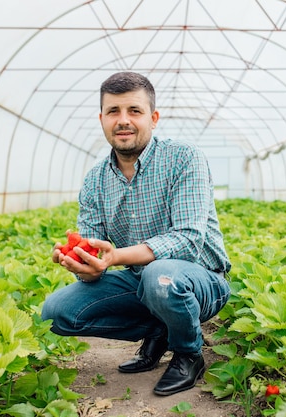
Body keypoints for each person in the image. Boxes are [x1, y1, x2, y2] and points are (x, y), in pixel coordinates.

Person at [41, 71, 231, 396]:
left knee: (160, 275)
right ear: (102, 119)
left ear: (153, 118)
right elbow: (95, 255)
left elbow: (187, 239)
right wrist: (84, 264)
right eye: (113, 111)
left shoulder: (184, 158)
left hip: (200, 281)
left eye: (134, 111)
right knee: (55, 314)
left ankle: (188, 353)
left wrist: (117, 256)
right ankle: (162, 327)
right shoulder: (95, 181)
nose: (123, 120)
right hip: (141, 283)